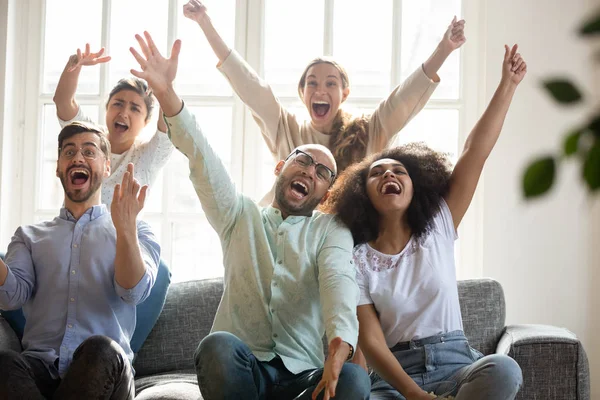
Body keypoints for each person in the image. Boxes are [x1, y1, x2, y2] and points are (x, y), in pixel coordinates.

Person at [129, 31, 370, 400]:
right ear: (279, 167)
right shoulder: (239, 216)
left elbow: (338, 278)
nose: (310, 171)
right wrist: (166, 94)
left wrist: (341, 340)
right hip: (242, 373)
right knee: (218, 347)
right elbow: (203, 159)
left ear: (326, 193)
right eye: (303, 160)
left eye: (322, 172)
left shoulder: (330, 230)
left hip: (301, 378)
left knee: (355, 381)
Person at [322, 45, 527, 399]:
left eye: (399, 170)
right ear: (363, 194)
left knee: (503, 369)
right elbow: (371, 341)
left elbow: (474, 152)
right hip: (395, 379)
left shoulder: (440, 225)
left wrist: (507, 85)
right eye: (378, 174)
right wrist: (415, 395)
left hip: (457, 364)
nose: (390, 174)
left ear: (415, 186)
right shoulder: (355, 259)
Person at [182, 0, 466, 203]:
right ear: (302, 93)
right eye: (312, 83)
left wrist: (445, 49)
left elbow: (406, 97)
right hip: (284, 237)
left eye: (331, 83)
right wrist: (205, 23)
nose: (320, 89)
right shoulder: (288, 130)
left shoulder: (368, 130)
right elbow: (249, 85)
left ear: (345, 93)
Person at [0, 121, 159, 399]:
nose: (78, 157)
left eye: (89, 151)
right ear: (59, 167)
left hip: (106, 371)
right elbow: (10, 297)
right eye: (69, 152)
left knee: (101, 349)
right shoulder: (29, 236)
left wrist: (125, 231)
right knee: (4, 362)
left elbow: (132, 291)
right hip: (39, 371)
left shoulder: (136, 229)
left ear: (107, 167)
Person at [51, 45, 175, 352]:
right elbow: (63, 102)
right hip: (76, 245)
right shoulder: (87, 144)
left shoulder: (147, 155)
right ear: (106, 109)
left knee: (160, 272)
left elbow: (171, 122)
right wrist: (74, 65)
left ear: (145, 120)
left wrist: (163, 86)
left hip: (119, 252)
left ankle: (122, 356)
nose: (124, 112)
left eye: (135, 108)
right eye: (118, 103)